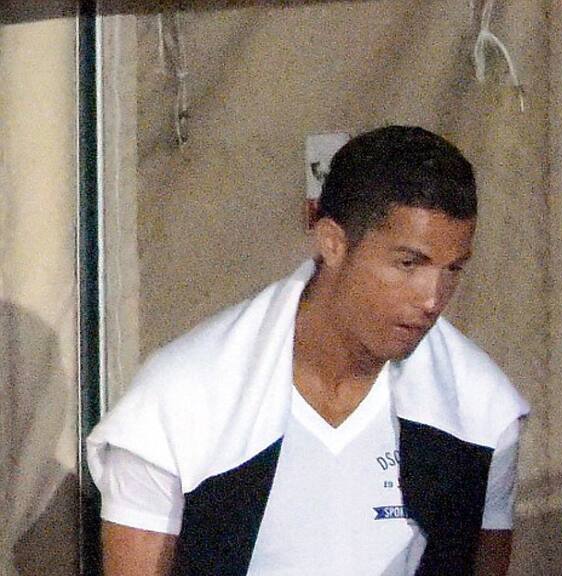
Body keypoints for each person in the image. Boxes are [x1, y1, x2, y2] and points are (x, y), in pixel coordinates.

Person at [87, 125, 529, 576]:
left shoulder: (482, 409)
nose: (432, 298)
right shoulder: (177, 400)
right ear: (332, 242)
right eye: (408, 263)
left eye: (453, 269)